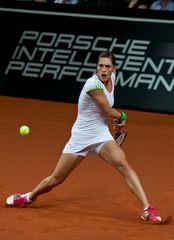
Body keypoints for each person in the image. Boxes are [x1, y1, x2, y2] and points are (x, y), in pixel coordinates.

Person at [6, 51, 162, 222]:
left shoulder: (112, 80)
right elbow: (108, 110)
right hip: (81, 137)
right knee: (56, 179)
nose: (103, 70)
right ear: (97, 66)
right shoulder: (92, 84)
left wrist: (115, 123)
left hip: (101, 134)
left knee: (123, 164)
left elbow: (106, 113)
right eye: (100, 65)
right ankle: (29, 196)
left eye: (107, 66)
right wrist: (122, 117)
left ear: (114, 69)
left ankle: (147, 209)